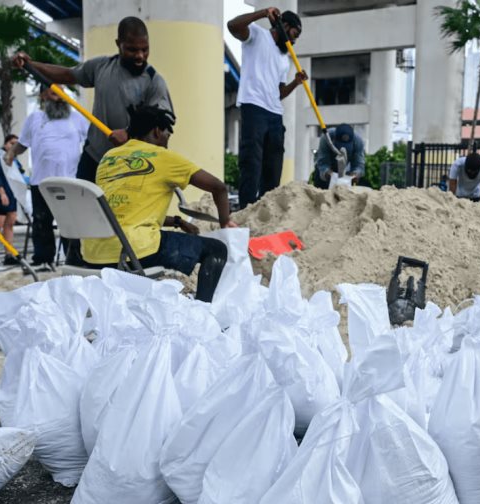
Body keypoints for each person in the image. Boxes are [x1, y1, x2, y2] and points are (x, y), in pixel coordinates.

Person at [81, 105, 235, 302]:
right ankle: (203, 312)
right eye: (167, 136)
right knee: (216, 250)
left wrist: (178, 222)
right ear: (156, 131)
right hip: (133, 250)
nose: (167, 143)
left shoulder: (109, 158)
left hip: (94, 253)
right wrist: (225, 222)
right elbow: (219, 187)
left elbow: (125, 210)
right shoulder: (163, 156)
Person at [12, 16, 175, 182]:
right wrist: (30, 65)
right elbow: (68, 74)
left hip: (130, 164)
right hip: (94, 159)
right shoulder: (101, 66)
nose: (140, 56)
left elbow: (162, 127)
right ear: (118, 44)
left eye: (145, 49)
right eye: (132, 50)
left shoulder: (154, 81)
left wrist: (129, 134)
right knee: (82, 206)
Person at [228, 7, 307, 208]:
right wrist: (262, 13)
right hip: (253, 106)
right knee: (252, 162)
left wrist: (295, 83)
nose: (294, 41)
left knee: (274, 166)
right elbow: (232, 26)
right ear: (284, 26)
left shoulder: (284, 58)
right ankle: (246, 208)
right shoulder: (257, 35)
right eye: (293, 34)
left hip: (275, 113)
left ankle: (267, 210)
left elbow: (279, 93)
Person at [5, 86, 88, 270]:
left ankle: (73, 257)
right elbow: (23, 144)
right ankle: (43, 259)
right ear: (43, 95)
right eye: (54, 93)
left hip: (69, 181)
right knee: (41, 220)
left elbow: (91, 142)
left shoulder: (77, 118)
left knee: (70, 221)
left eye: (62, 93)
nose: (59, 98)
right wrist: (11, 152)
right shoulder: (35, 119)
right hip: (41, 181)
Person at [0, 134, 23, 266]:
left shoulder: (14, 158)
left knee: (9, 225)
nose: (14, 146)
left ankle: (9, 254)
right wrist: (1, 193)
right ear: (6, 143)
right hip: (0, 195)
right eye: (12, 143)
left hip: (12, 194)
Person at [313, 124, 365, 189]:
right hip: (328, 167)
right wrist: (328, 173)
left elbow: (359, 164)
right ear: (334, 139)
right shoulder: (326, 137)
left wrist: (355, 175)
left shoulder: (358, 141)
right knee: (321, 186)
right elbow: (323, 162)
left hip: (346, 170)